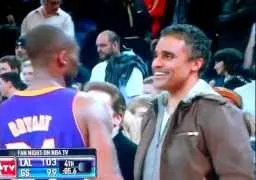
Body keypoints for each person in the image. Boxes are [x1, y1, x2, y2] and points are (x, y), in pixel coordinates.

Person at [0, 25, 122, 179]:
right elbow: (108, 176)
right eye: (75, 56)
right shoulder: (86, 105)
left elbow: (3, 174)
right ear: (63, 57)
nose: (77, 63)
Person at [134, 24, 254, 180]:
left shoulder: (218, 112)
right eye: (156, 55)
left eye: (168, 56)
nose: (156, 63)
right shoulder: (153, 110)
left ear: (196, 64)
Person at [84, 81, 136, 180]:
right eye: (84, 107)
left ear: (117, 118)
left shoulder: (133, 155)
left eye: (97, 108)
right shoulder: (72, 147)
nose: (87, 114)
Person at [90, 30, 148, 102]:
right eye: (97, 46)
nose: (99, 49)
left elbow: (135, 100)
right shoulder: (97, 68)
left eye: (103, 45)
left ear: (115, 45)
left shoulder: (131, 66)